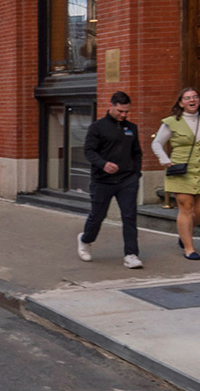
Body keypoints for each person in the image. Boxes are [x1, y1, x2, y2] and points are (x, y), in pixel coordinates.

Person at [152, 87, 200, 261]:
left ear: (199, 100)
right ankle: (189, 248)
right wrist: (164, 159)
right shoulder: (171, 122)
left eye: (195, 97)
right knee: (186, 208)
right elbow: (157, 144)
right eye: (187, 98)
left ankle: (185, 233)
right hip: (181, 169)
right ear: (181, 103)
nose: (192, 100)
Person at [78, 91, 144, 268]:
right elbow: (89, 151)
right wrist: (103, 164)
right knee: (97, 216)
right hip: (103, 180)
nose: (123, 115)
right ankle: (85, 239)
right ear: (112, 106)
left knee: (129, 216)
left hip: (127, 179)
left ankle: (131, 254)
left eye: (126, 112)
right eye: (120, 111)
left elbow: (137, 152)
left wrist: (136, 173)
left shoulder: (131, 128)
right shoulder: (97, 128)